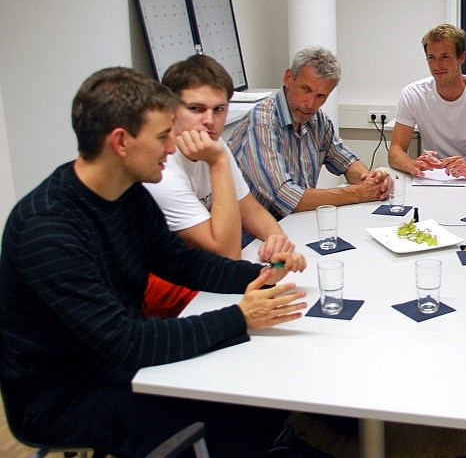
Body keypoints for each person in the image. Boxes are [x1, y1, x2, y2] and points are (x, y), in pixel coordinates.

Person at [0, 67, 326, 458]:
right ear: (120, 141)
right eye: (161, 137)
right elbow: (129, 342)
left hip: (115, 357)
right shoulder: (47, 230)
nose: (172, 148)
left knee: (253, 386)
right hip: (63, 394)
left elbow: (184, 264)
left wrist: (264, 274)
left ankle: (271, 442)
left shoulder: (128, 193)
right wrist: (241, 316)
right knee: (228, 406)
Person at [142, 54, 296, 317]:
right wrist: (218, 163)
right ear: (169, 110)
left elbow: (250, 209)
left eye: (219, 109)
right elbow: (227, 254)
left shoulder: (212, 143)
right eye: (196, 109)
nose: (210, 121)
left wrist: (276, 238)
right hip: (167, 294)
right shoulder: (162, 167)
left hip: (204, 279)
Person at [228, 46, 390, 219]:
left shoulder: (319, 120)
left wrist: (370, 180)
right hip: (247, 233)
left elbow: (346, 161)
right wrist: (357, 193)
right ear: (288, 78)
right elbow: (287, 197)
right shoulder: (261, 124)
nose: (311, 104)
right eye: (306, 90)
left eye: (321, 96)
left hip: (294, 222)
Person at [388, 23, 466, 179]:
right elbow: (395, 151)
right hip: (431, 178)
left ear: (461, 58)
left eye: (445, 57)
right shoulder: (413, 94)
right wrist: (412, 164)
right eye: (431, 58)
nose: (437, 65)